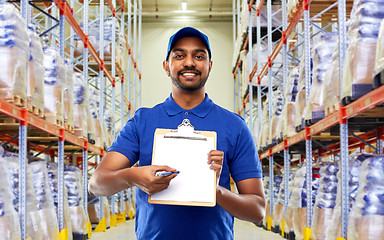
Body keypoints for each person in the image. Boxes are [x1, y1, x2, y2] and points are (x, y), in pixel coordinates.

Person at [88, 27, 266, 240]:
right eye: (179, 55)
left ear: (210, 65)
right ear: (166, 66)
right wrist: (132, 176)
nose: (189, 62)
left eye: (199, 56)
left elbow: (257, 210)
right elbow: (97, 184)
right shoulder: (143, 121)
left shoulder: (234, 126)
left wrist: (215, 191)